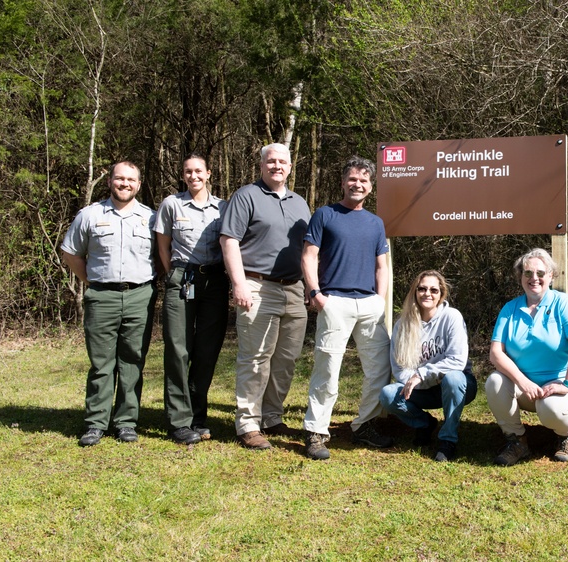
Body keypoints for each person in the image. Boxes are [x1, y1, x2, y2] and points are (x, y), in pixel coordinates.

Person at [219, 143, 311, 450]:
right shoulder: (246, 196)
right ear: (262, 165)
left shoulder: (300, 202)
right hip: (258, 286)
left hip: (295, 289)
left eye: (282, 162)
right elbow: (229, 240)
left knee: (286, 358)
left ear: (289, 166)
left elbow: (308, 250)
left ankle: (272, 416)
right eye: (271, 161)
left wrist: (312, 286)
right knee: (256, 357)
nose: (277, 166)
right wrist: (239, 283)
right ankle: (248, 422)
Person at [302, 156, 394, 460]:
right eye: (352, 179)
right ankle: (316, 432)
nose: (358, 184)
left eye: (364, 181)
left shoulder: (376, 223)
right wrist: (316, 293)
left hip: (369, 304)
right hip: (334, 302)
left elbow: (382, 267)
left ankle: (364, 425)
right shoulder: (325, 215)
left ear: (371, 187)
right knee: (327, 370)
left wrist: (380, 300)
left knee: (379, 369)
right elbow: (309, 255)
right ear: (343, 182)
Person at [61, 161, 157, 447]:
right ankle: (95, 423)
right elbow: (71, 253)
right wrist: (91, 281)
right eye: (119, 178)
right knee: (102, 363)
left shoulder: (151, 218)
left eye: (131, 179)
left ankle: (126, 422)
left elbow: (161, 258)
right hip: (101, 296)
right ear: (110, 182)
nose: (124, 184)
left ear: (139, 185)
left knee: (132, 360)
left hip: (140, 295)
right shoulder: (89, 215)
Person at [486, 248, 568, 465]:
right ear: (520, 276)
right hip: (526, 387)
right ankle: (516, 441)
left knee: (551, 408)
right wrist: (523, 382)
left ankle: (567, 435)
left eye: (541, 273)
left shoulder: (563, 303)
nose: (534, 278)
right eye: (528, 273)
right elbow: (496, 353)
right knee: (495, 381)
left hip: (565, 383)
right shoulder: (510, 308)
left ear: (551, 276)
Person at [154, 154, 229, 445]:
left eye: (199, 170)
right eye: (188, 171)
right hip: (182, 279)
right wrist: (175, 273)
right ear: (183, 175)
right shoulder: (171, 204)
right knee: (178, 349)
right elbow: (163, 246)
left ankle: (198, 416)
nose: (193, 175)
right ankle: (179, 421)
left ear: (209, 173)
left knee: (206, 350)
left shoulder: (223, 207)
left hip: (214, 282)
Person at [378, 271, 477, 462]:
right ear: (415, 292)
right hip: (422, 390)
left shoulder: (451, 317)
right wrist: (421, 383)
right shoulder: (402, 326)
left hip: (457, 386)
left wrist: (422, 375)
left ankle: (448, 440)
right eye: (422, 289)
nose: (427, 294)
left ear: (442, 294)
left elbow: (458, 361)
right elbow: (399, 369)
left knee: (454, 377)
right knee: (388, 395)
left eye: (434, 290)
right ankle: (424, 424)